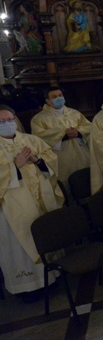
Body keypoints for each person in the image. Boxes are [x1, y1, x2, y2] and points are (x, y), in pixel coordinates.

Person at [0, 105, 63, 300]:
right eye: (1, 122)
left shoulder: (31, 140)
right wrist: (14, 167)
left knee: (45, 234)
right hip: (13, 207)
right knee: (20, 243)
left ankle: (54, 275)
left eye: (9, 119)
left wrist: (38, 161)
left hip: (40, 199)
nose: (7, 124)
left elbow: (52, 161)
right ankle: (27, 288)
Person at [30, 86, 91, 193]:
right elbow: (39, 138)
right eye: (54, 97)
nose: (58, 98)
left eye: (60, 95)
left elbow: (89, 127)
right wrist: (63, 134)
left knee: (87, 179)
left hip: (82, 152)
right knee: (67, 183)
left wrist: (78, 131)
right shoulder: (39, 119)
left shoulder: (74, 113)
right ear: (47, 101)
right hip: (60, 156)